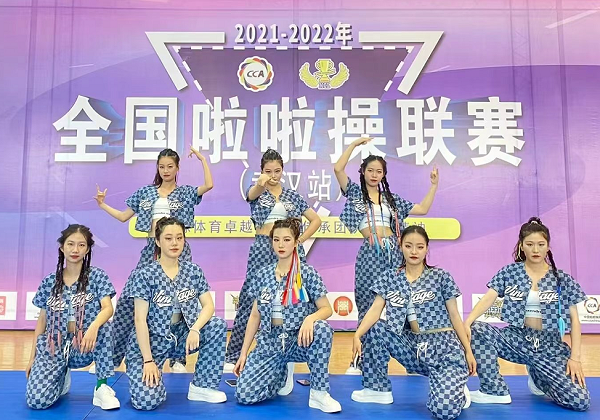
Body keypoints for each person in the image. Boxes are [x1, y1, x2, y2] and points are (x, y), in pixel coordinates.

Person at [465, 217, 590, 411]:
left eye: (541, 244)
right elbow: (489, 298)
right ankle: (494, 390)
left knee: (580, 401)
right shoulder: (510, 272)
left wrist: (575, 358)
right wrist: (467, 322)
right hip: (517, 338)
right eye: (530, 244)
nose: (535, 249)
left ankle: (539, 377)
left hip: (550, 346)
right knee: (476, 329)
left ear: (548, 247)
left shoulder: (562, 279)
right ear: (522, 246)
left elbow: (574, 320)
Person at [233, 218, 341, 413]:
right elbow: (255, 316)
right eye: (276, 240)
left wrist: (310, 319)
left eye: (286, 240)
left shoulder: (307, 273)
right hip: (269, 343)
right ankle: (280, 375)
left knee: (322, 329)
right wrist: (243, 354)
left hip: (298, 340)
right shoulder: (262, 275)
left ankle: (319, 393)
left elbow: (327, 309)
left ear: (296, 242)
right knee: (244, 395)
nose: (281, 245)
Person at [26, 224, 120, 410]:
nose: (75, 249)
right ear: (62, 247)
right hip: (56, 346)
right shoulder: (49, 282)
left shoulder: (97, 276)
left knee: (106, 328)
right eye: (70, 244)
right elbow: (42, 321)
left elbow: (107, 309)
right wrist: (32, 358)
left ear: (87, 249)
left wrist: (93, 328)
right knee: (36, 401)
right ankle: (61, 377)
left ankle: (102, 387)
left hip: (85, 344)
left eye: (81, 245)